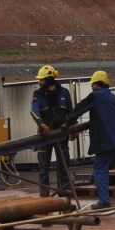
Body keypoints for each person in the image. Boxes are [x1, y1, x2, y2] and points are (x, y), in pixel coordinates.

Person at [66, 70, 115, 209]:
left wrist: (67, 122)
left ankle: (104, 201)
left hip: (106, 139)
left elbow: (79, 108)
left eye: (93, 84)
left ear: (97, 84)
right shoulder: (113, 98)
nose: (92, 87)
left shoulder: (96, 96)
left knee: (100, 168)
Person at [30, 65, 73, 197]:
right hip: (45, 135)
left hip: (61, 134)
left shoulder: (64, 93)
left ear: (49, 79)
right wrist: (41, 124)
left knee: (64, 166)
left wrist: (73, 127)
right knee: (43, 167)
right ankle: (44, 196)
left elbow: (71, 112)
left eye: (42, 80)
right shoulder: (38, 95)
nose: (39, 82)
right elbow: (33, 110)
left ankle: (64, 194)